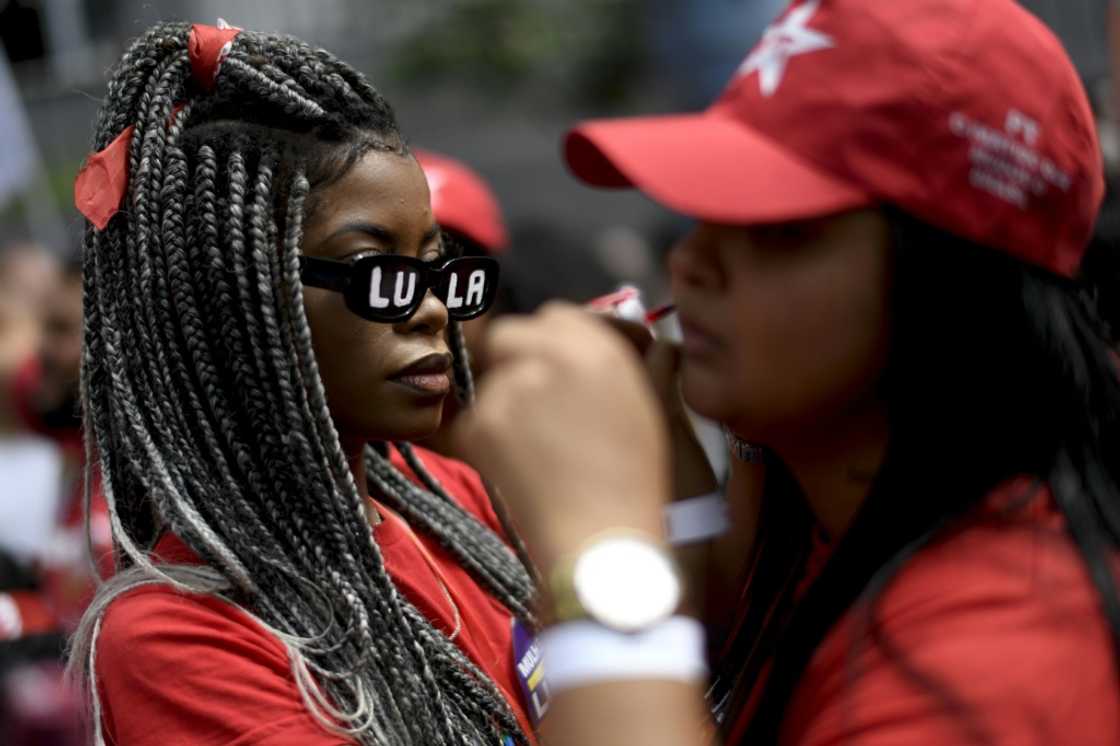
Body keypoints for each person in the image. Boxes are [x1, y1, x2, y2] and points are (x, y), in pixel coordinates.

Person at [454, 1, 1120, 744]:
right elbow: (714, 637)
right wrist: (663, 461)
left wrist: (601, 548)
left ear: (951, 288)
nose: (690, 261)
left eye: (778, 231)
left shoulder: (990, 664)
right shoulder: (846, 516)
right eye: (708, 210)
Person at [68, 22, 537, 745]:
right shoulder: (177, 639)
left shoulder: (454, 497)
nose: (435, 308)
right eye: (380, 273)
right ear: (236, 301)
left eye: (437, 266)